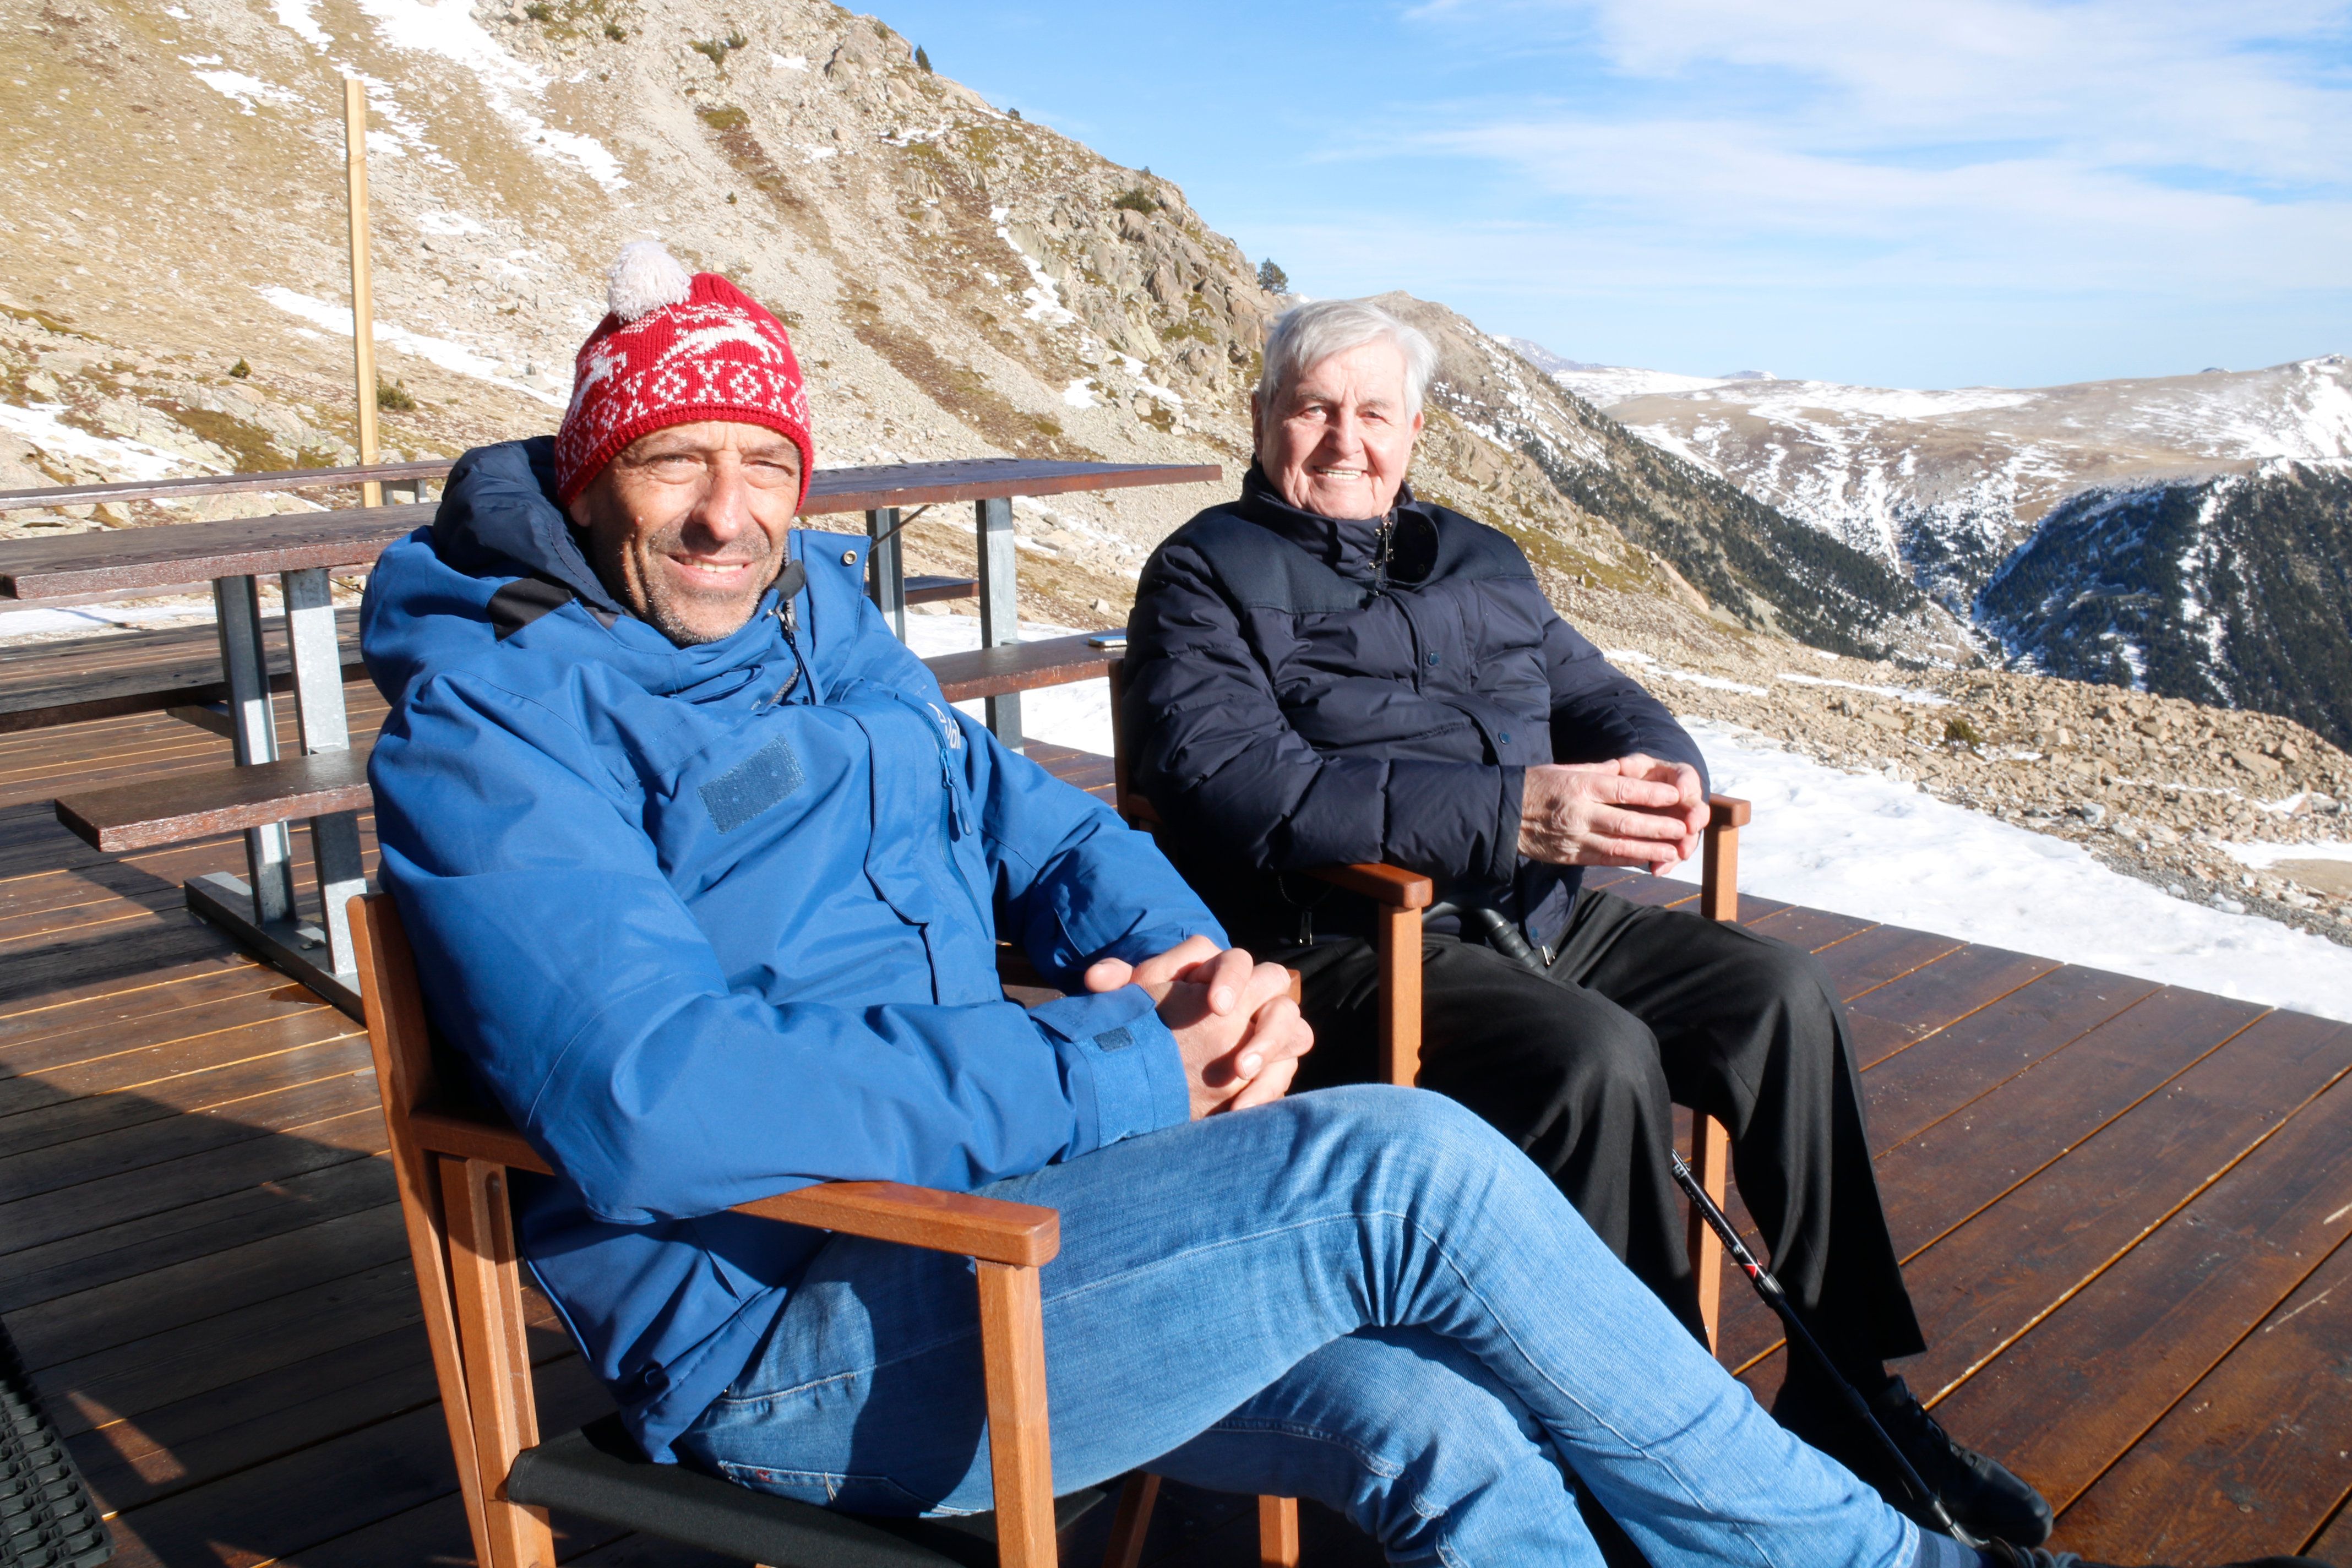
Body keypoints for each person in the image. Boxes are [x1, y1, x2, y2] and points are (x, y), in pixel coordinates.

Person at [362, 246, 2309, 1568]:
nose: (727, 509)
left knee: (1449, 1431)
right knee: (1410, 1166)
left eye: (762, 459)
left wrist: (1183, 954)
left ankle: (1819, 1437)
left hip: (1018, 1235)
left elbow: (1024, 829)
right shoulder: (498, 724)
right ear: (596, 469)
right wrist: (1111, 1054)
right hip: (803, 1321)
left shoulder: (819, 620)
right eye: (676, 461)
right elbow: (649, 1100)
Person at [1119, 297, 2045, 1546]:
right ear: (1263, 417)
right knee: (1594, 1055)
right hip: (1342, 942)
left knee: (1781, 993)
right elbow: (1246, 793)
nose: (1346, 439)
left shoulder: (1480, 560)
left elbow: (1602, 695)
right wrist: (1516, 810)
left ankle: (1848, 1387)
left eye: (1375, 412)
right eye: (1315, 407)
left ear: (1416, 431)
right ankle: (1659, 1457)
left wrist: (1660, 772)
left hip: (1537, 912)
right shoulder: (1202, 574)